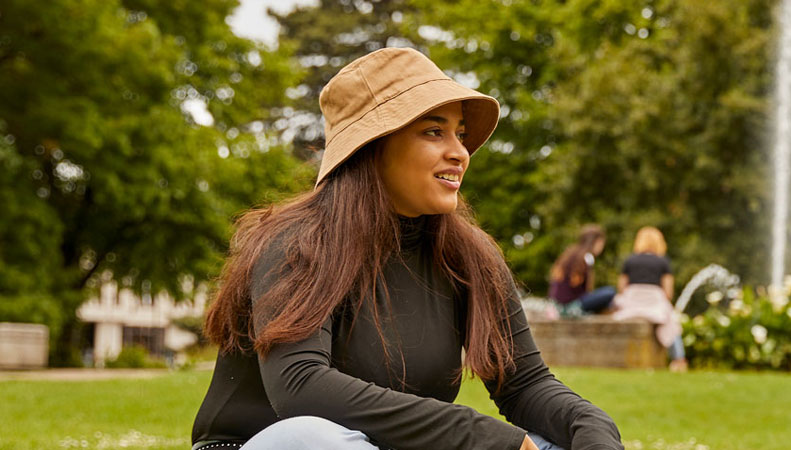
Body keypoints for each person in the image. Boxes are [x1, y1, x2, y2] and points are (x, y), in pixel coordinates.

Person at [191, 48, 623, 450]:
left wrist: (593, 429)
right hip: (282, 444)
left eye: (460, 133)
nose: (460, 152)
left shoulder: (470, 257)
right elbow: (301, 386)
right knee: (309, 436)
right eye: (434, 131)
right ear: (371, 148)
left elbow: (525, 384)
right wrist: (492, 440)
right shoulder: (298, 243)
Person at [612, 226, 687, 372]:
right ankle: (679, 359)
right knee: (672, 323)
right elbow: (668, 292)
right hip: (654, 300)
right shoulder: (663, 262)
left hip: (632, 300)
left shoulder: (629, 261)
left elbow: (621, 287)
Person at [548, 225, 616, 315]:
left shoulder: (570, 253)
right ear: (596, 242)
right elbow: (586, 290)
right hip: (572, 304)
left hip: (558, 303)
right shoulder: (587, 257)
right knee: (610, 291)